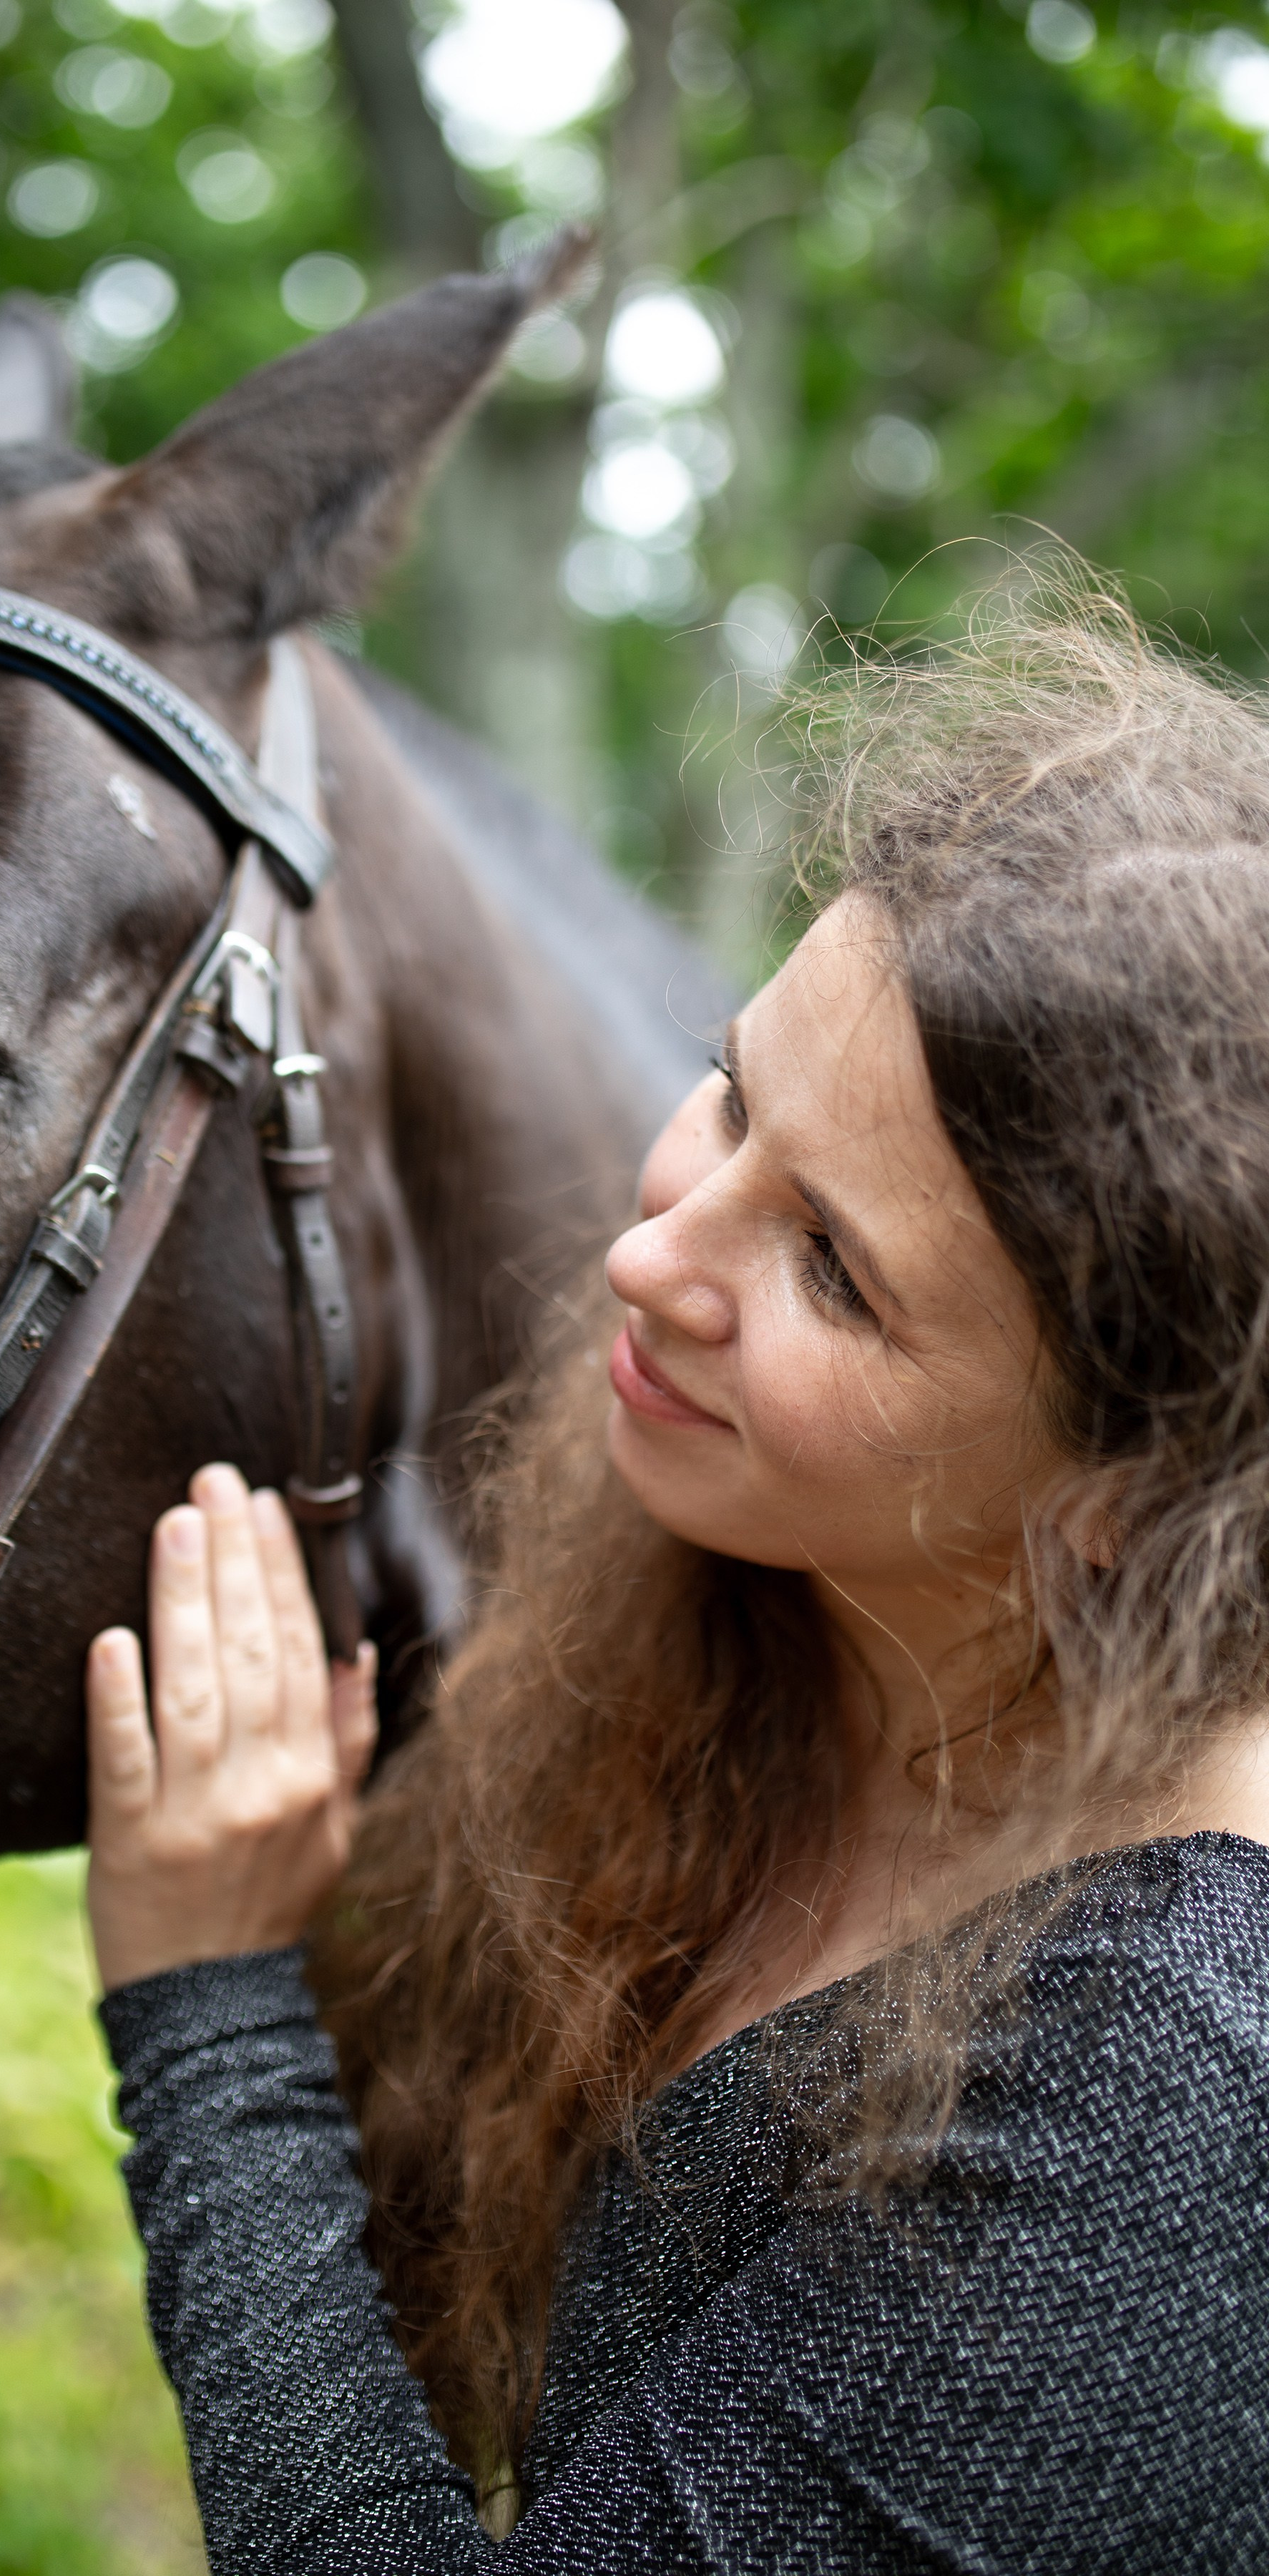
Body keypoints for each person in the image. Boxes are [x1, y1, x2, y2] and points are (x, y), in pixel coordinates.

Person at [82, 584, 1269, 2571]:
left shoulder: (1168, 2111)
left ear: (1124, 1502)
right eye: (732, 1087)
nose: (651, 1256)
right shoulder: (802, 1588)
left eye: (831, 1268)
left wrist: (205, 2003)